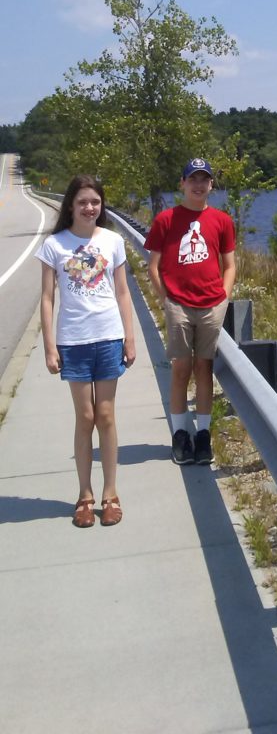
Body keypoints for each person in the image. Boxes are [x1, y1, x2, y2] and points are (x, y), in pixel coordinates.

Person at [36, 175, 136, 528]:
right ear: (71, 206)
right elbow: (47, 299)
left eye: (95, 202)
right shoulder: (54, 245)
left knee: (106, 416)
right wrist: (50, 346)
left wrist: (130, 337)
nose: (89, 208)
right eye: (82, 202)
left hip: (108, 337)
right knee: (86, 417)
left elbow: (122, 293)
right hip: (73, 342)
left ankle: (110, 494)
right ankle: (85, 495)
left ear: (101, 205)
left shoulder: (112, 241)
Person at [144, 157, 236, 465]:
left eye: (204, 179)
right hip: (179, 304)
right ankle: (180, 435)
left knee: (204, 368)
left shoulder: (222, 221)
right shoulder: (166, 220)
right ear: (182, 184)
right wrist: (166, 298)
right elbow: (153, 266)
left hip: (211, 304)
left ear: (211, 185)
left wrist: (224, 295)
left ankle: (203, 435)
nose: (199, 185)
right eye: (192, 179)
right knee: (182, 369)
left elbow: (230, 265)